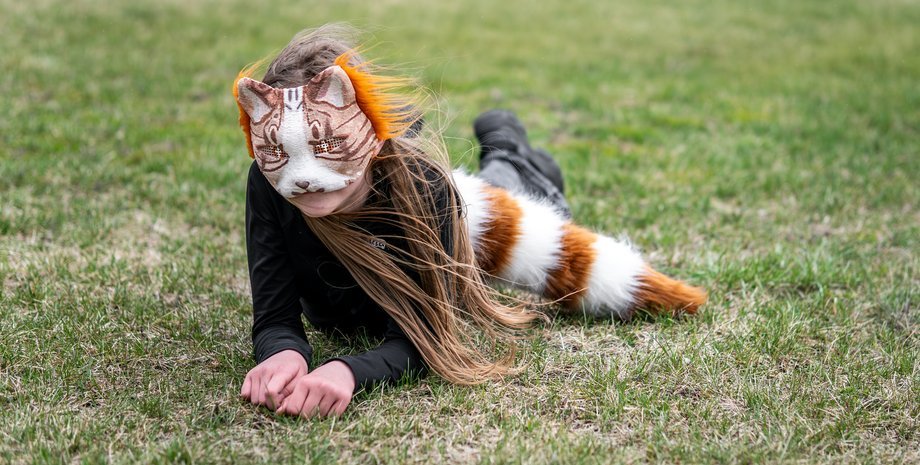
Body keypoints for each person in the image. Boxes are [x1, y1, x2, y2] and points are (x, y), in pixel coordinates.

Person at [234, 25, 706, 419]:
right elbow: (275, 316)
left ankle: (510, 147)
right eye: (280, 152)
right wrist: (281, 352)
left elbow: (424, 335)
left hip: (455, 215)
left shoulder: (425, 189)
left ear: (372, 135)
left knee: (511, 194)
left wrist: (350, 372)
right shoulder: (269, 184)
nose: (303, 177)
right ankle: (504, 146)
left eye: (324, 147)